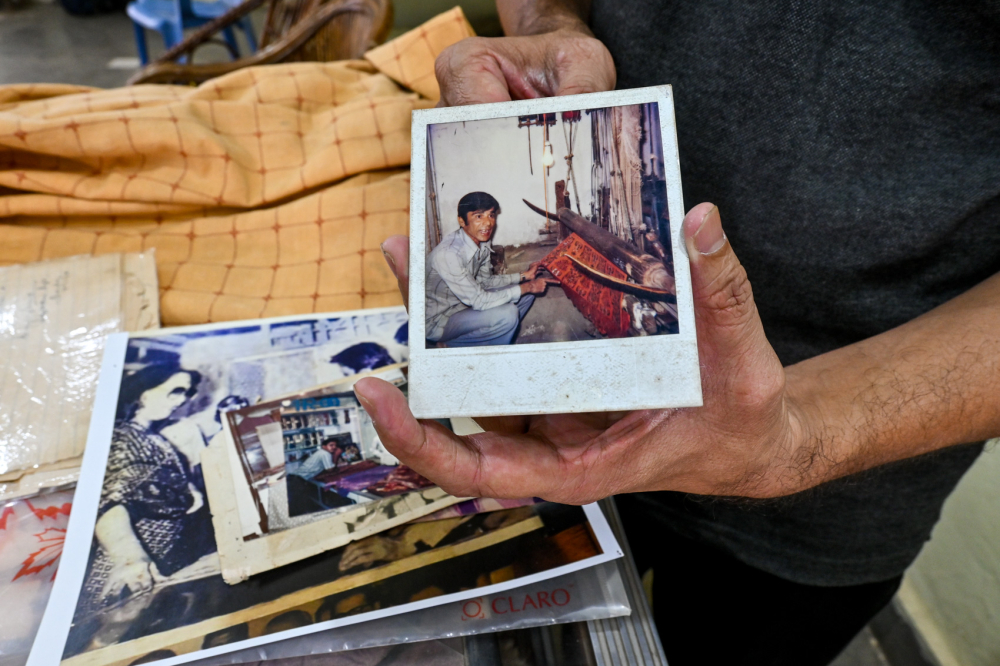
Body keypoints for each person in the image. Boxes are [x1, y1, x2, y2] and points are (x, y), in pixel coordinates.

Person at [356, 2, 1000, 665]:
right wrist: (550, 25)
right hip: (573, 427)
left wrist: (800, 431)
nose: (489, 229)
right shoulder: (468, 260)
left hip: (835, 497)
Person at [81, 360, 216, 615]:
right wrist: (129, 558)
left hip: (161, 562)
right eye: (175, 391)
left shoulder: (153, 438)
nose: (182, 400)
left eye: (186, 393)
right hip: (130, 570)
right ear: (144, 393)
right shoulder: (122, 438)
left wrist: (189, 491)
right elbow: (111, 506)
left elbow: (158, 480)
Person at [425, 191, 559, 347]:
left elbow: (485, 281)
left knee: (526, 295)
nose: (488, 223)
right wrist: (527, 287)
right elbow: (479, 300)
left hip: (465, 304)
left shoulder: (482, 240)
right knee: (508, 314)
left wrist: (524, 276)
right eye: (479, 216)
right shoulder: (448, 254)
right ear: (461, 221)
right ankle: (456, 346)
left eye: (491, 215)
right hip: (441, 320)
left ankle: (478, 340)